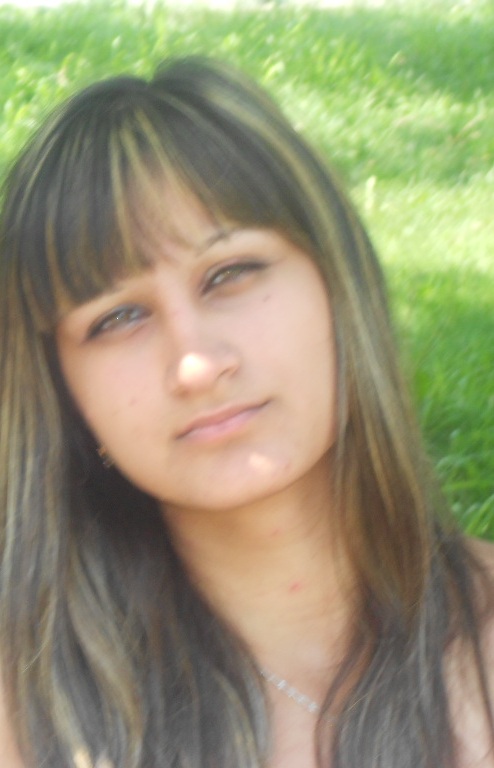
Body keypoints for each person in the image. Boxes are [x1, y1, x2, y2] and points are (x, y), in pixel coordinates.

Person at [0, 56, 493, 768]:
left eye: (229, 274)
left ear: (340, 285)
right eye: (118, 318)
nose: (196, 365)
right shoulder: (22, 709)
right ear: (65, 397)